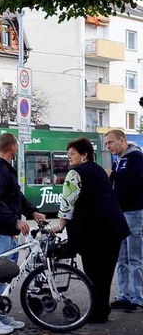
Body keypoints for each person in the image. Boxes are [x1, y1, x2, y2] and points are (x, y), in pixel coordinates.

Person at [56, 137, 130, 323]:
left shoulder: (75, 173)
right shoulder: (99, 170)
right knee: (105, 274)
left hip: (93, 231)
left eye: (72, 154)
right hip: (114, 228)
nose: (69, 158)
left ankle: (96, 313)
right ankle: (101, 311)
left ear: (84, 155)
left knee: (93, 272)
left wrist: (60, 225)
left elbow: (67, 203)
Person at [0, 132, 46, 334]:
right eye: (16, 146)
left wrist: (32, 211)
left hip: (6, 232)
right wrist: (15, 221)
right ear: (13, 147)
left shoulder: (5, 169)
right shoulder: (0, 171)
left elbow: (17, 197)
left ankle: (0, 316)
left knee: (5, 277)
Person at [104, 129, 143, 313]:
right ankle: (123, 295)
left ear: (122, 140)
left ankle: (137, 298)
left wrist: (113, 175)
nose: (109, 147)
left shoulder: (136, 157)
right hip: (120, 213)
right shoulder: (119, 159)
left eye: (111, 143)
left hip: (134, 212)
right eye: (106, 144)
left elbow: (136, 181)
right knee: (121, 258)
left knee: (135, 258)